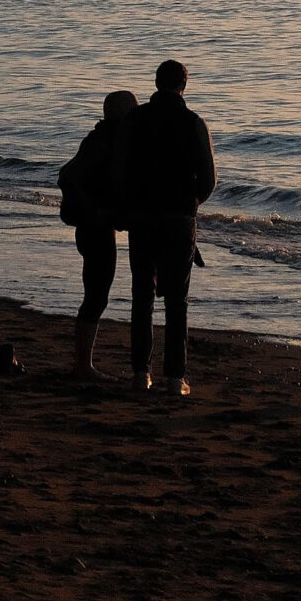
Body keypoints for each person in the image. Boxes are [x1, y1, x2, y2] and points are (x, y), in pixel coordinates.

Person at [118, 60, 216, 396]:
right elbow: (209, 180)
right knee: (177, 300)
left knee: (141, 296)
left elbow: (123, 168)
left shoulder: (135, 119)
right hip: (178, 218)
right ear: (183, 85)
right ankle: (175, 378)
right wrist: (191, 204)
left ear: (156, 83)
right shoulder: (193, 123)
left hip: (142, 216)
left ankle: (139, 373)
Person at [58, 90, 139, 379]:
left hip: (94, 224)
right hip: (94, 226)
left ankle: (83, 363)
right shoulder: (105, 142)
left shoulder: (102, 138)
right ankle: (83, 365)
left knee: (95, 293)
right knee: (96, 295)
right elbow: (68, 175)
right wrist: (98, 211)